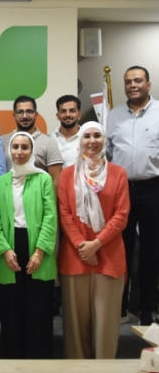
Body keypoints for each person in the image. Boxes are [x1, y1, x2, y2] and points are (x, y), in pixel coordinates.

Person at [59, 121, 130, 358]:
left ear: (104, 140)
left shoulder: (118, 173)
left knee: (105, 326)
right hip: (75, 257)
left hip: (109, 257)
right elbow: (65, 214)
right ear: (80, 141)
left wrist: (96, 244)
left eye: (97, 136)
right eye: (87, 136)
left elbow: (121, 215)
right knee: (75, 328)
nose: (92, 141)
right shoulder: (67, 175)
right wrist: (82, 246)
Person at [0, 132, 57, 359]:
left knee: (38, 311)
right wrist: (4, 250)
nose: (19, 152)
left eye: (24, 147)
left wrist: (40, 251)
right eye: (15, 147)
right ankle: (13, 360)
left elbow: (50, 217)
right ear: (9, 151)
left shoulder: (43, 179)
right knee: (11, 310)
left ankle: (38, 362)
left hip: (38, 249)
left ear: (32, 150)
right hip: (9, 249)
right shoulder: (0, 182)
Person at [106, 66, 159, 325]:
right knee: (120, 250)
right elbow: (107, 152)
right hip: (122, 190)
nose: (133, 85)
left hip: (153, 188)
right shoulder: (114, 115)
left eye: (138, 81)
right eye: (128, 82)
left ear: (148, 84)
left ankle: (148, 308)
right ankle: (120, 307)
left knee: (151, 250)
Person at [1, 96, 63, 190]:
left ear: (36, 114)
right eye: (20, 112)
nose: (25, 116)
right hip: (8, 196)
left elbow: (55, 181)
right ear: (14, 114)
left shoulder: (49, 143)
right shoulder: (3, 141)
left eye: (29, 111)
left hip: (38, 197)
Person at [51, 95, 82, 168]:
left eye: (72, 111)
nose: (67, 115)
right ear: (57, 116)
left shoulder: (88, 139)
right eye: (63, 111)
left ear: (79, 115)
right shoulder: (49, 139)